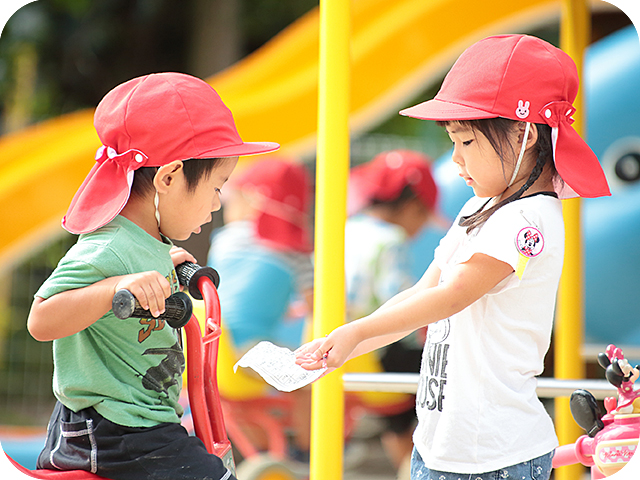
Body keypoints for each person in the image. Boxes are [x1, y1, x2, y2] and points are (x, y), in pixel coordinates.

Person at [296, 34, 610, 480]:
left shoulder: (529, 219)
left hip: (494, 457)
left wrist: (356, 331)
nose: (455, 160)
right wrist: (345, 345)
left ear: (524, 134)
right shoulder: (478, 208)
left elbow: (452, 296)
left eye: (465, 142)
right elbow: (422, 293)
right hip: (440, 444)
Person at [26, 72, 278, 480]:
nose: (217, 204)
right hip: (110, 431)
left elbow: (139, 268)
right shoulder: (106, 247)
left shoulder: (147, 240)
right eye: (217, 187)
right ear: (169, 177)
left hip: (143, 425)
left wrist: (165, 263)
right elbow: (41, 320)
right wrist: (114, 288)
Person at [207, 158, 314, 461]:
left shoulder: (224, 241)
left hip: (211, 351)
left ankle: (265, 452)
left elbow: (234, 294)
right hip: (251, 352)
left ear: (251, 200)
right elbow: (317, 307)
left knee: (238, 401)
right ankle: (308, 453)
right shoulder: (295, 253)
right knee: (308, 379)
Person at [344, 150, 441, 476]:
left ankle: (404, 457)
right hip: (376, 349)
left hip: (343, 347)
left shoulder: (348, 229)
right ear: (414, 208)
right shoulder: (391, 240)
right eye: (424, 218)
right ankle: (423, 462)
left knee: (397, 409)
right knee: (444, 368)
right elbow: (398, 300)